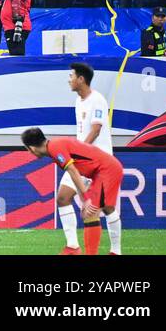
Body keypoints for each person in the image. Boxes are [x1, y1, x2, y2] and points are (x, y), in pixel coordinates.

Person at [21, 127, 124, 256]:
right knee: (105, 208)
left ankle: (97, 252)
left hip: (106, 170)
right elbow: (76, 173)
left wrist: (86, 199)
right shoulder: (54, 146)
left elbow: (73, 172)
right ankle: (112, 251)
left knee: (90, 213)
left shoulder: (55, 148)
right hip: (102, 170)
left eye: (27, 149)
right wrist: (83, 198)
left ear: (32, 148)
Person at [56, 63, 121, 255]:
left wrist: (77, 152)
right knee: (62, 197)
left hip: (100, 163)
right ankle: (73, 247)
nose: (69, 79)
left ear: (81, 79)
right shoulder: (79, 101)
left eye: (71, 76)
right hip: (82, 161)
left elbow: (96, 129)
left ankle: (116, 251)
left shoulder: (97, 100)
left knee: (106, 208)